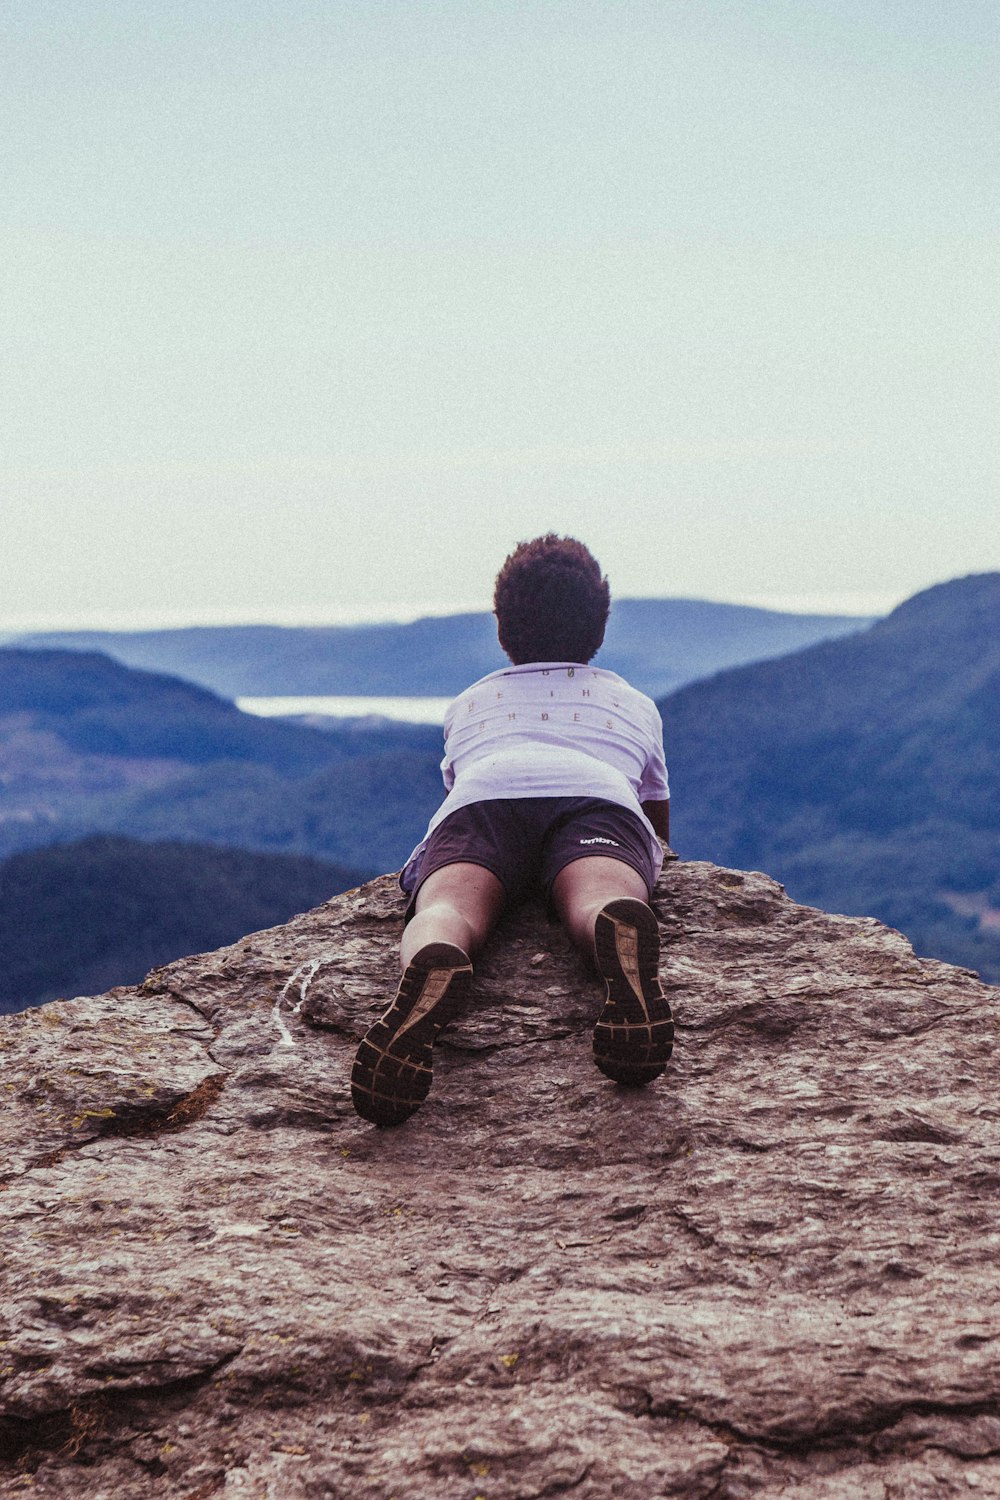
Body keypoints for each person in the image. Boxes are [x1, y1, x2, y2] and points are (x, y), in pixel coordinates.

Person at [351, 534, 674, 1127]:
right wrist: (652, 859)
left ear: (503, 626)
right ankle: (611, 921)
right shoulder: (634, 704)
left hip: (485, 800)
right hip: (597, 798)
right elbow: (655, 811)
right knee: (600, 890)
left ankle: (438, 950)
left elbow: (457, 788)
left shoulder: (470, 703)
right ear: (599, 625)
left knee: (450, 904)